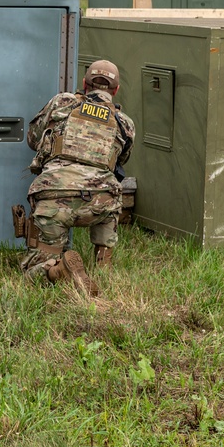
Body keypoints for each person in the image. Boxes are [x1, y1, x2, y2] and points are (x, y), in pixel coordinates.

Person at [20, 60, 135, 297]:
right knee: (111, 193)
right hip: (101, 203)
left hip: (56, 198)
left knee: (33, 269)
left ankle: (57, 270)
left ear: (84, 84)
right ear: (116, 90)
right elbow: (120, 161)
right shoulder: (125, 123)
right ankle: (103, 264)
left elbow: (32, 139)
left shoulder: (62, 102)